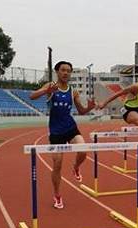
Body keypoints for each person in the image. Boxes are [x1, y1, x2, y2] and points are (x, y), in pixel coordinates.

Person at [30, 61, 96, 209]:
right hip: (56, 132)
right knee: (57, 165)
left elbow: (81, 111)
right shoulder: (50, 86)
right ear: (57, 72)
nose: (66, 73)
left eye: (68, 71)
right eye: (63, 70)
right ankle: (57, 195)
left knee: (83, 150)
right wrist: (47, 91)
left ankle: (76, 166)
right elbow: (32, 96)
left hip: (71, 128)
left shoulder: (73, 91)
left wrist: (89, 108)